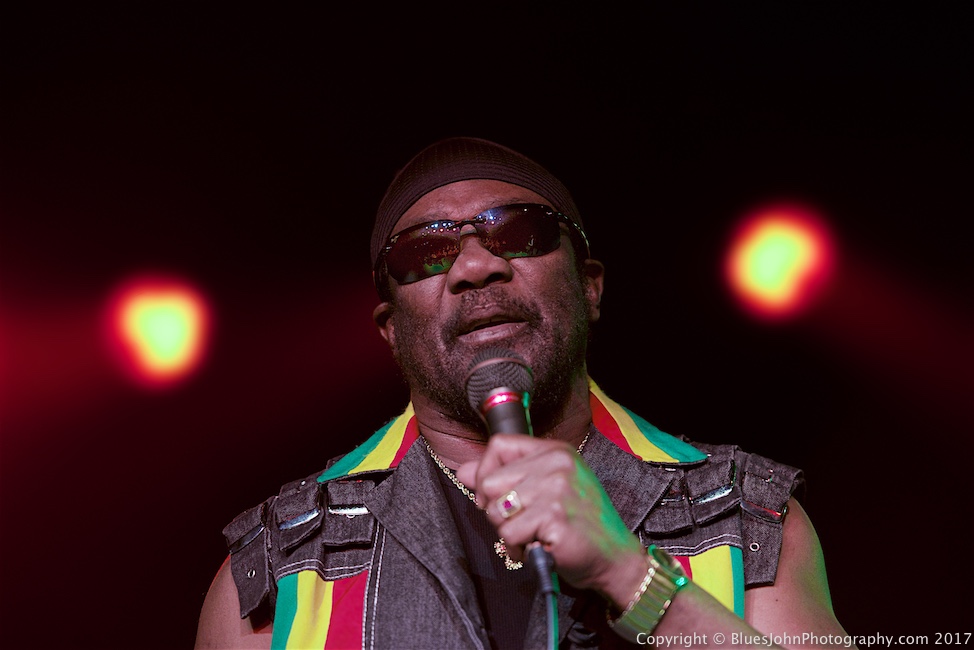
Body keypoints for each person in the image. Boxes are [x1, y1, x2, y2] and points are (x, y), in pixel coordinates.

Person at [195, 137, 853, 649]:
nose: (477, 266)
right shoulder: (279, 565)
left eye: (519, 233)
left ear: (590, 285)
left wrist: (628, 575)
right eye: (425, 252)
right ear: (390, 330)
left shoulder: (740, 518)